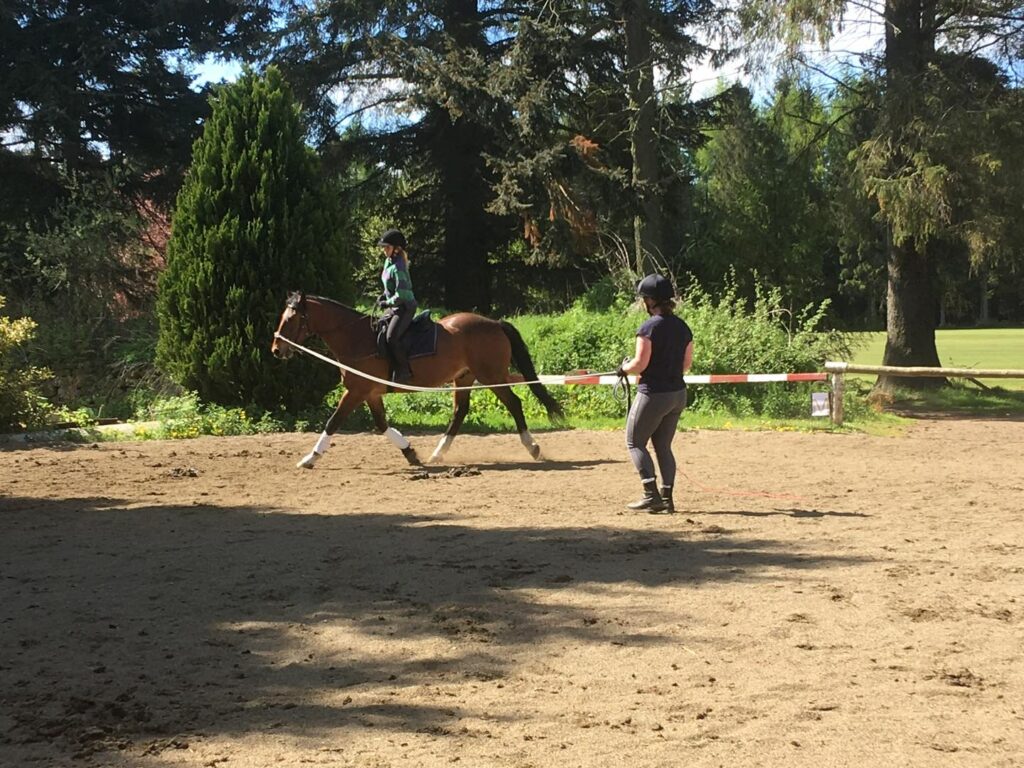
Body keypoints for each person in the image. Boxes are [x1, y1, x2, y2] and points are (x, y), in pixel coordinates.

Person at [617, 273, 694, 514]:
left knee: (634, 441)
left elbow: (640, 364)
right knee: (663, 445)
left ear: (650, 301)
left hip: (654, 394)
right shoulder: (683, 328)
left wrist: (623, 368)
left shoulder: (648, 328)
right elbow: (686, 365)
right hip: (678, 394)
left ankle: (650, 495)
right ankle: (667, 498)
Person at [376, 228, 418, 383]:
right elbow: (391, 287)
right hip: (394, 306)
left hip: (405, 307)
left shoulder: (399, 266)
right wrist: (385, 295)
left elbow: (402, 294)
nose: (384, 250)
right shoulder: (389, 261)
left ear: (397, 249)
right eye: (383, 247)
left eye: (386, 247)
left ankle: (404, 370)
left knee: (391, 337)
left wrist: (387, 302)